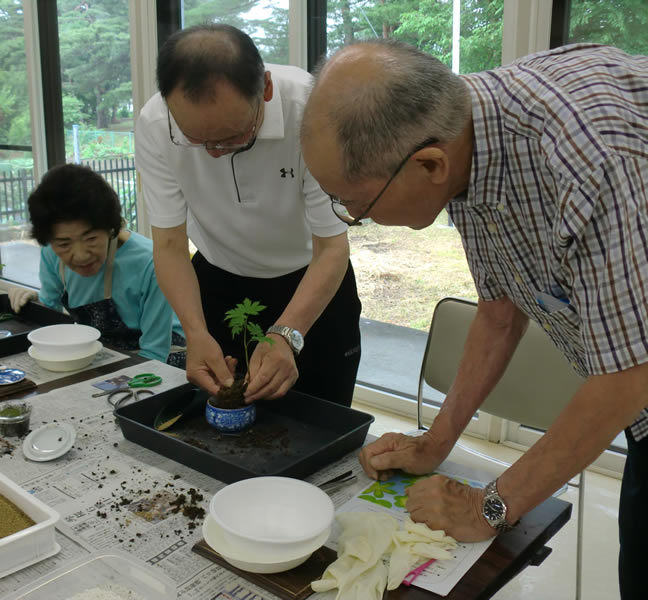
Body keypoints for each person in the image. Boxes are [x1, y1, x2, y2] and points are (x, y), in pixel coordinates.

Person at [301, 40, 648, 598]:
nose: (351, 217)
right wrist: (435, 442)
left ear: (428, 165)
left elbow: (630, 372)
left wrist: (494, 505)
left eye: (355, 205)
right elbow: (500, 311)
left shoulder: (585, 161)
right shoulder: (465, 136)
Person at [134, 24, 361, 405]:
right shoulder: (157, 124)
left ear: (266, 89)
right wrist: (194, 332)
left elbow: (332, 249)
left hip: (311, 285)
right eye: (196, 139)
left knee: (319, 424)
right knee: (226, 422)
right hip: (219, 283)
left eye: (233, 136)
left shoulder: (310, 109)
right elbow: (170, 245)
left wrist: (287, 333)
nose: (214, 153)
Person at [8, 163, 185, 365]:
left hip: (163, 356)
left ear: (111, 228)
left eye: (91, 238)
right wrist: (34, 303)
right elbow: (51, 321)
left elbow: (155, 353)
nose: (81, 255)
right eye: (64, 244)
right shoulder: (51, 254)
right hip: (102, 353)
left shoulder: (150, 263)